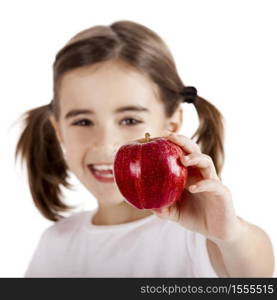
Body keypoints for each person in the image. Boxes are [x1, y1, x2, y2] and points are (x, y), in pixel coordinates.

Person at [15, 20, 275, 278]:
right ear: (58, 129)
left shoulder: (199, 234)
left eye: (130, 120)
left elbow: (256, 275)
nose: (106, 143)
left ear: (171, 123)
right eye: (83, 121)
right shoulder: (57, 245)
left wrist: (229, 235)